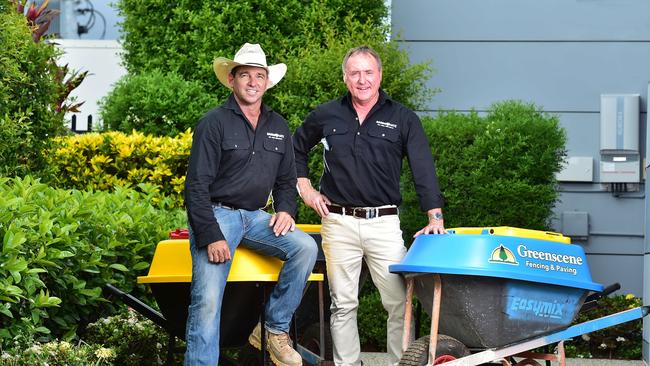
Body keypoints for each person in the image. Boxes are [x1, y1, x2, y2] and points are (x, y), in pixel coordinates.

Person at [292, 45, 446, 366]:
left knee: (398, 303)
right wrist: (304, 187)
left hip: (384, 223)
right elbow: (294, 149)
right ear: (345, 78)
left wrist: (434, 215)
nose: (362, 79)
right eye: (355, 73)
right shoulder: (326, 114)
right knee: (343, 305)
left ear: (379, 75)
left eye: (368, 72)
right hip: (338, 222)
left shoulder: (403, 118)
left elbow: (423, 169)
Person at [184, 43, 318, 366]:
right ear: (232, 80)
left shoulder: (278, 127)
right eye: (246, 75)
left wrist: (286, 209)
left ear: (267, 82)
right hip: (218, 217)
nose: (253, 82)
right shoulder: (213, 123)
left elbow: (288, 180)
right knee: (208, 301)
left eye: (260, 76)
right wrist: (210, 234)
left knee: (306, 248)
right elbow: (196, 186)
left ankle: (272, 329)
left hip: (258, 218)